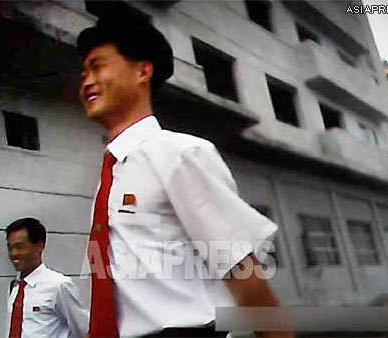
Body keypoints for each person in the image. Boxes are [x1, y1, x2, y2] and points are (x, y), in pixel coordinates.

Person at [78, 7, 292, 338]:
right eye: (83, 74)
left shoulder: (179, 155)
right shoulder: (114, 173)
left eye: (98, 67)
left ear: (142, 71)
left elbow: (241, 270)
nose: (87, 81)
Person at [5, 217, 89, 337]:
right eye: (10, 248)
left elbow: (85, 329)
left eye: (19, 247)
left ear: (39, 246)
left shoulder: (59, 285)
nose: (13, 254)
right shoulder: (15, 286)